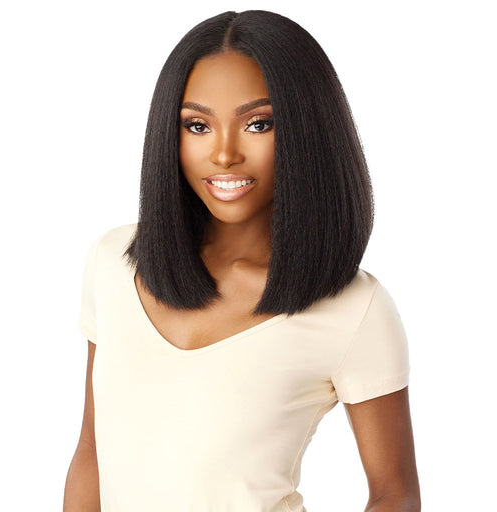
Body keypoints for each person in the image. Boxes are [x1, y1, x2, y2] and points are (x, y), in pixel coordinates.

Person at [63, 9, 420, 512]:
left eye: (258, 124)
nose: (224, 154)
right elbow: (92, 452)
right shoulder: (113, 264)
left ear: (308, 131)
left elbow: (394, 494)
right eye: (197, 125)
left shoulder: (354, 309)